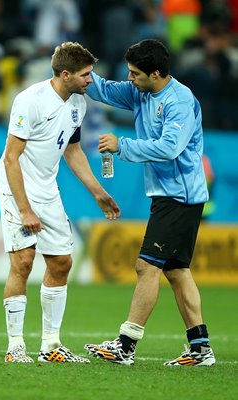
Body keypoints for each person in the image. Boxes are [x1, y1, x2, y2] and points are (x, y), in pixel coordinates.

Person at [84, 39, 216, 367]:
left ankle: (125, 345)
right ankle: (200, 349)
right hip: (169, 194)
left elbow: (170, 147)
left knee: (147, 266)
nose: (129, 79)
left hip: (179, 195)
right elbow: (104, 90)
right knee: (176, 271)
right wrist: (77, 70)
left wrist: (122, 146)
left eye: (135, 73)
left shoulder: (180, 101)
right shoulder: (141, 90)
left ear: (155, 73)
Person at [0, 41, 120, 364]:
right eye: (85, 74)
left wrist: (97, 191)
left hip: (47, 189)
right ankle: (15, 346)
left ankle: (50, 345)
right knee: (23, 260)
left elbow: (72, 150)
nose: (91, 80)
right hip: (15, 186)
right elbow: (11, 158)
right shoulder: (30, 101)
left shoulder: (79, 103)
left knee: (62, 263)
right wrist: (24, 209)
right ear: (66, 74)